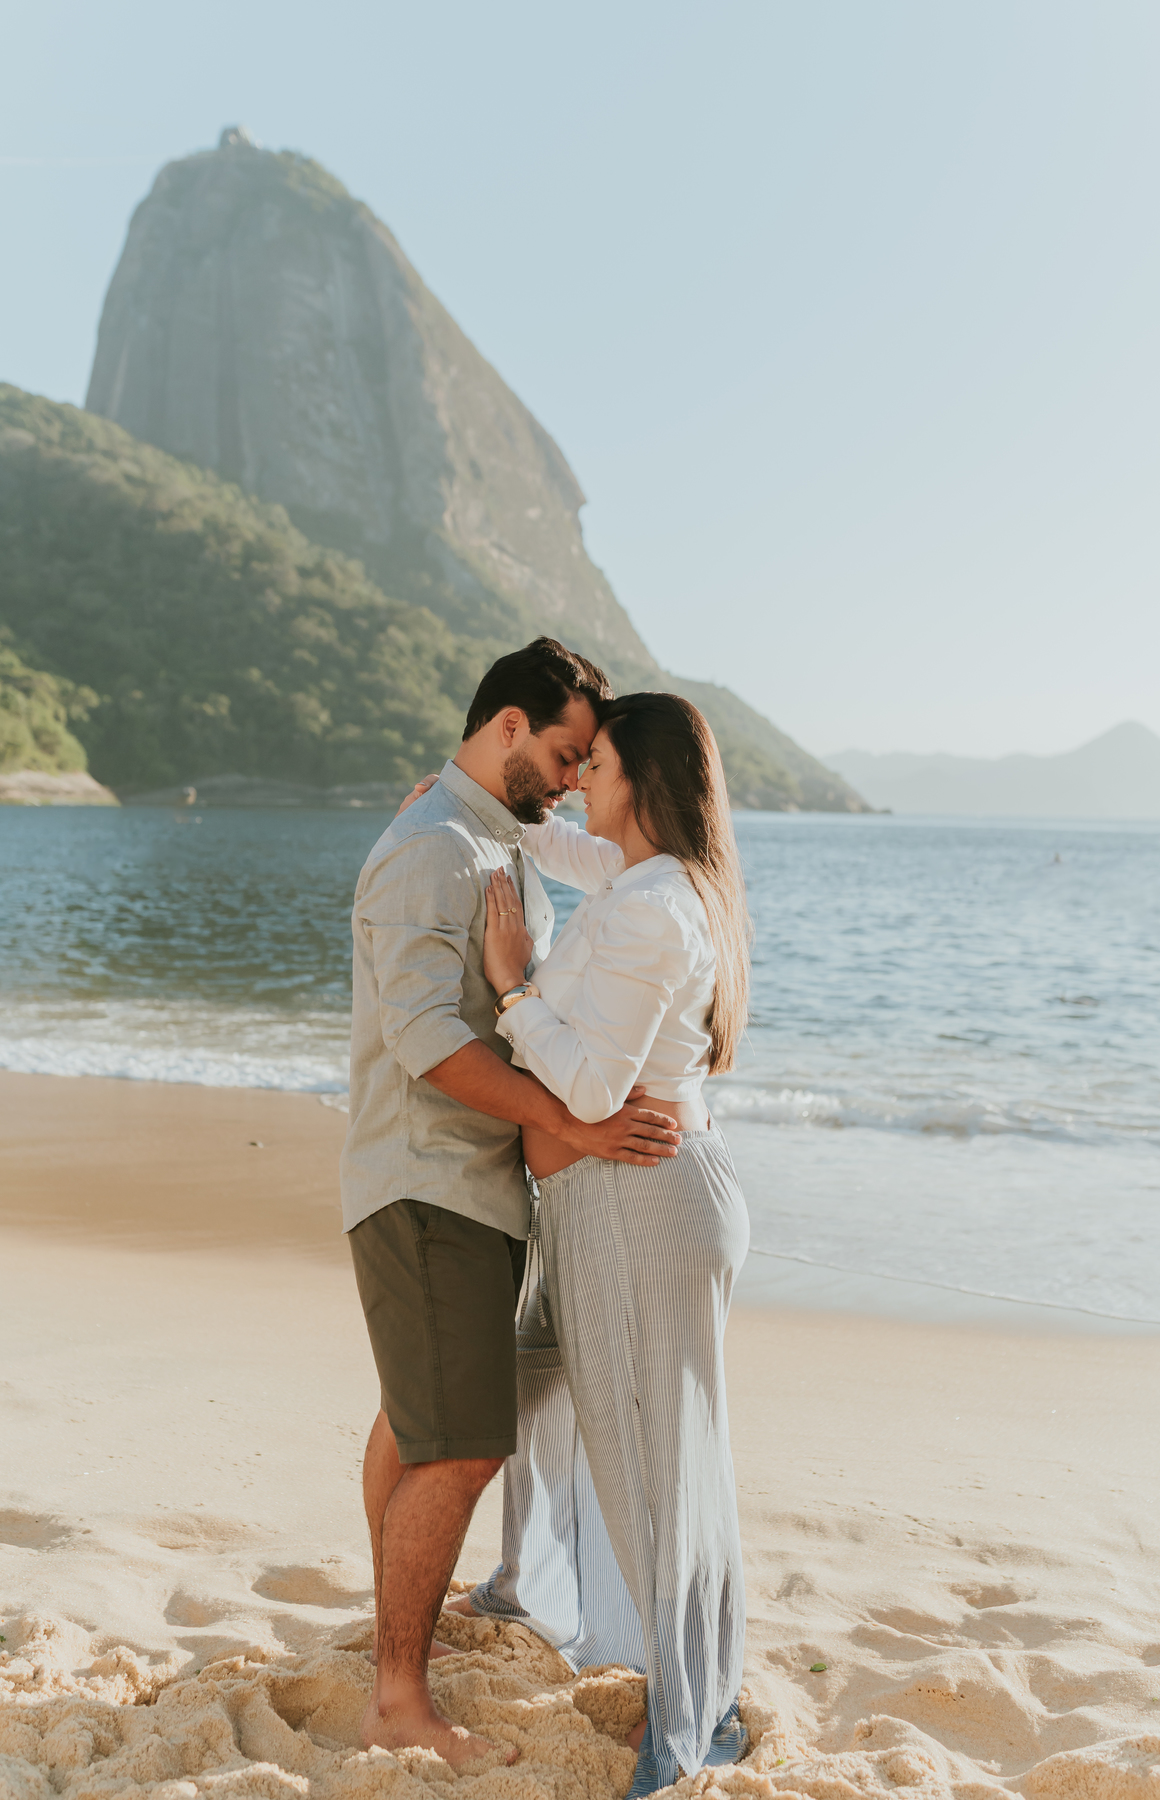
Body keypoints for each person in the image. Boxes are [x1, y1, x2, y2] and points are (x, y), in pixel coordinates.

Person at [341, 638, 684, 1770]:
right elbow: (427, 1038)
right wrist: (583, 1129)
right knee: (461, 1447)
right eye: (564, 751)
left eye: (591, 760)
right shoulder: (435, 849)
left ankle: (400, 1640)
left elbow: (571, 869)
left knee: (418, 1419)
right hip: (428, 1180)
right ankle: (399, 1695)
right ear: (506, 729)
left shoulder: (489, 837)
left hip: (468, 1187)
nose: (575, 776)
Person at [446, 691, 754, 1796]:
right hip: (614, 1207)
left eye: (600, 763)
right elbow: (566, 846)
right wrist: (488, 804)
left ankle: (692, 1722)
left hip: (636, 1207)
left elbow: (585, 1083)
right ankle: (537, 1592)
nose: (582, 779)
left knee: (652, 1471)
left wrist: (516, 983)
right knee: (561, 1411)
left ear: (647, 782)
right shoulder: (645, 883)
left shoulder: (654, 909)